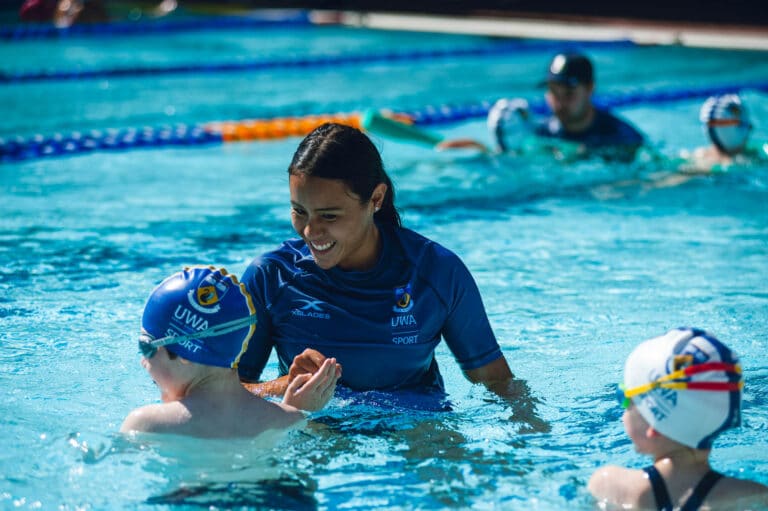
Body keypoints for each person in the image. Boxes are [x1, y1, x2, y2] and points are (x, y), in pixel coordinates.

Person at [237, 122, 546, 429]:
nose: (310, 231)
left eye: (329, 216)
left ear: (376, 199)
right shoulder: (271, 277)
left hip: (417, 429)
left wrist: (532, 442)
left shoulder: (435, 272)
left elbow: (497, 382)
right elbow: (221, 393)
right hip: (321, 429)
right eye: (299, 211)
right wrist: (282, 388)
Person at [121, 266, 340, 438]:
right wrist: (297, 414)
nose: (143, 361)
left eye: (147, 346)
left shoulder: (147, 424)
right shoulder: (287, 420)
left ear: (185, 353)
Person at [588, 328, 768, 510]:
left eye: (625, 398)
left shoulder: (610, 486)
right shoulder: (754, 495)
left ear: (655, 424)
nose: (623, 410)